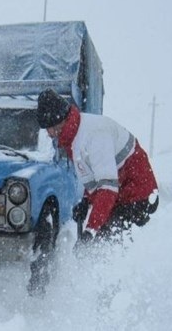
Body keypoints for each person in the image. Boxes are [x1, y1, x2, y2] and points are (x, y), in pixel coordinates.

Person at [36, 88, 159, 247]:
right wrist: (86, 201)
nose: (48, 133)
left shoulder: (93, 135)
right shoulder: (73, 138)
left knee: (106, 242)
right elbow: (95, 178)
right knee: (103, 240)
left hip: (138, 194)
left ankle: (124, 270)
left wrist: (90, 231)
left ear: (58, 121)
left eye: (48, 128)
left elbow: (107, 188)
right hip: (120, 192)